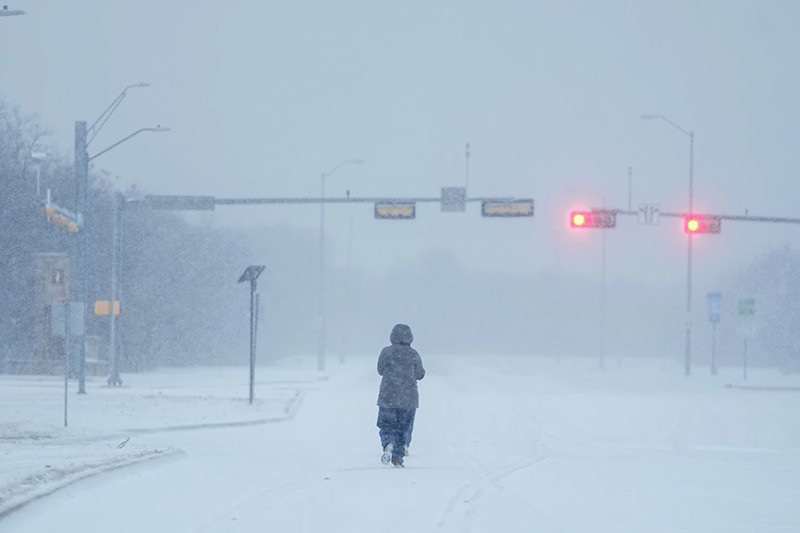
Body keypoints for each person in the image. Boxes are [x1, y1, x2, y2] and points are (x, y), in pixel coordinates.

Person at [377, 324, 425, 467]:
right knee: (402, 428)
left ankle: (388, 442)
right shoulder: (413, 354)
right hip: (408, 399)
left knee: (386, 425)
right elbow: (420, 374)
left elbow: (380, 370)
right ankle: (398, 458)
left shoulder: (386, 352)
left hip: (387, 397)